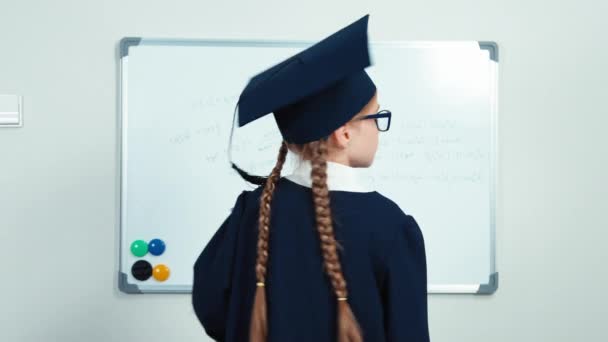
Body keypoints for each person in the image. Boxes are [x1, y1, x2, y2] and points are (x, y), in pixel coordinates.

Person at [192, 14, 430, 342]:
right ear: (344, 133)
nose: (379, 128)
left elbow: (212, 305)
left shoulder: (253, 210)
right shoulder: (390, 226)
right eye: (376, 116)